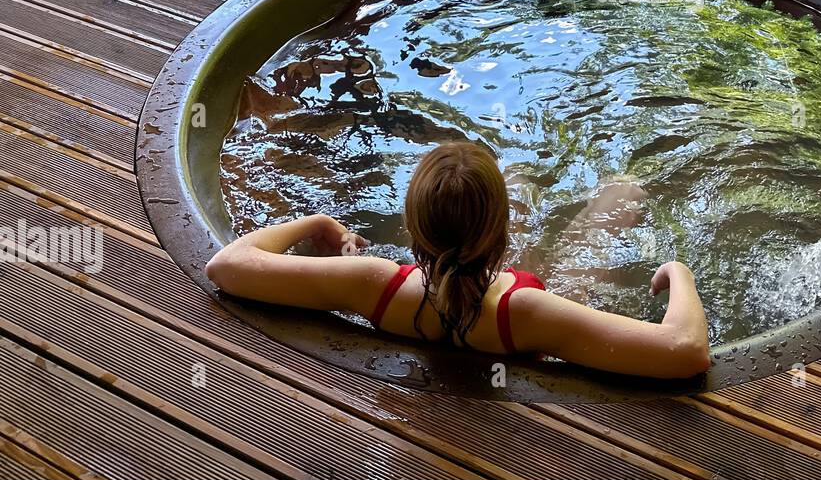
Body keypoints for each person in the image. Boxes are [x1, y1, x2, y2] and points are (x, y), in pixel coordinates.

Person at [205, 141, 711, 379]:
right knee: (622, 194)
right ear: (501, 235)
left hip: (457, 302)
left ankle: (507, 183)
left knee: (516, 181)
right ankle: (512, 187)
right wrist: (681, 276)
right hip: (516, 313)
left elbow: (227, 265)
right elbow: (685, 349)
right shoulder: (532, 310)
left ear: (413, 229)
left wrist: (315, 223)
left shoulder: (372, 282)